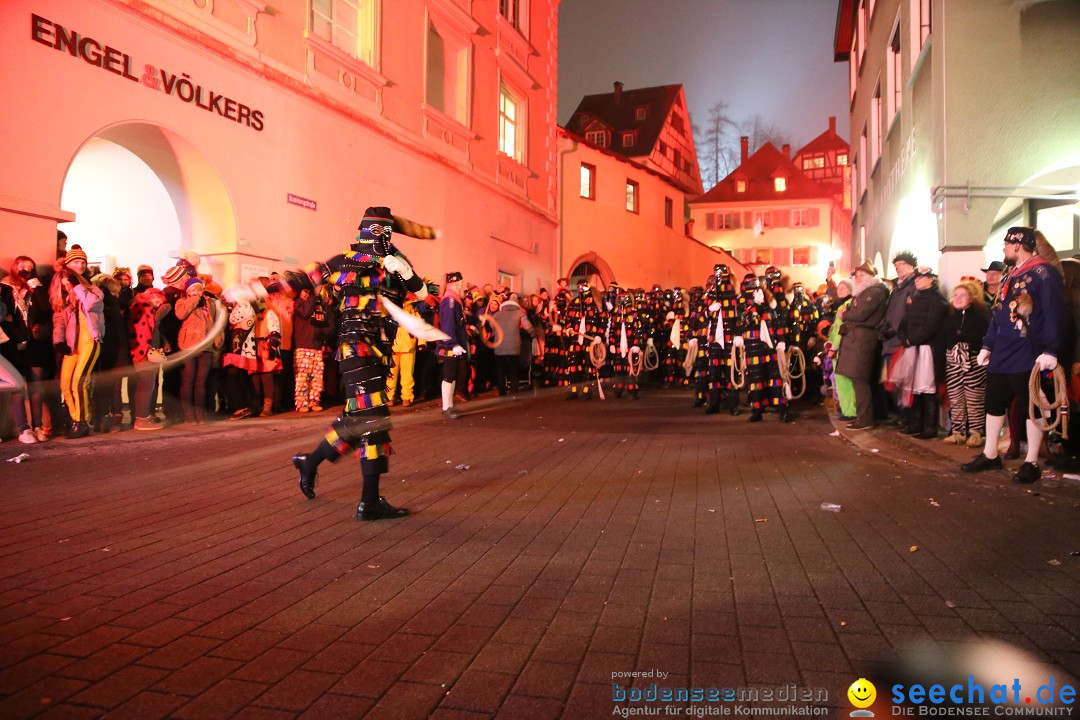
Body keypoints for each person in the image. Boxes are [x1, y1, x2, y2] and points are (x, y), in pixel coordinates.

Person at [248, 207, 436, 520]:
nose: (382, 239)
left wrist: (403, 270)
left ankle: (308, 463)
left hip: (381, 353)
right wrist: (254, 289)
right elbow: (299, 279)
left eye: (387, 233)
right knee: (374, 421)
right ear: (368, 231)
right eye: (378, 232)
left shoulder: (396, 264)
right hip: (356, 349)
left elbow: (421, 296)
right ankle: (369, 501)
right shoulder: (344, 262)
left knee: (353, 423)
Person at [962, 227, 1065, 484]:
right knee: (994, 403)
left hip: (1027, 352)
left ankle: (1031, 461)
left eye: (1007, 244)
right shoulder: (1010, 275)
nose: (1004, 249)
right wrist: (988, 345)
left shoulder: (1044, 273)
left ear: (1018, 245)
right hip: (1002, 354)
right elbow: (998, 315)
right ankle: (990, 454)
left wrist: (1051, 350)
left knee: (1032, 407)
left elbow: (1054, 314)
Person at [50, 247, 105, 438]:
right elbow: (59, 317)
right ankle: (75, 419)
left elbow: (91, 304)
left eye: (83, 262)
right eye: (76, 262)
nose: (80, 265)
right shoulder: (63, 290)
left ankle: (81, 421)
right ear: (68, 264)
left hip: (90, 340)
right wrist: (58, 340)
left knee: (78, 382)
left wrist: (75, 284)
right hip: (73, 344)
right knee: (65, 384)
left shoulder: (93, 289)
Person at [835, 261, 890, 430]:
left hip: (862, 340)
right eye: (857, 275)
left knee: (860, 380)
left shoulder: (874, 292)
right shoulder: (865, 292)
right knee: (857, 379)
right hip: (856, 339)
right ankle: (862, 416)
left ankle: (865, 419)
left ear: (871, 276)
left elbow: (861, 314)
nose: (858, 278)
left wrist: (846, 314)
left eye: (862, 275)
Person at [896, 267, 949, 440]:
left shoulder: (938, 300)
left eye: (921, 278)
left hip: (928, 349)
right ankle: (916, 423)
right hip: (914, 347)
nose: (917, 281)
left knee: (927, 388)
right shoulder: (917, 298)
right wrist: (904, 337)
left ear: (931, 279)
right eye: (916, 279)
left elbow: (931, 326)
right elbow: (906, 321)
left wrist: (913, 339)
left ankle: (929, 427)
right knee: (914, 387)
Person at [942, 280, 991, 447]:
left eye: (962, 295)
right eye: (956, 295)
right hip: (953, 362)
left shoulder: (981, 316)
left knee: (974, 399)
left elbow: (983, 337)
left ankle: (976, 433)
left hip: (974, 361)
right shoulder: (950, 315)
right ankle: (958, 432)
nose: (958, 298)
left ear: (972, 297)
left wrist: (963, 342)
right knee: (956, 398)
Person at [880, 251, 918, 423]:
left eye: (902, 264)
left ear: (911, 265)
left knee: (905, 381)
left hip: (902, 341)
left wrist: (896, 330)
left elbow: (907, 314)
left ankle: (908, 417)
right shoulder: (897, 288)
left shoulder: (914, 286)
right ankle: (901, 415)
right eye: (896, 266)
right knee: (894, 381)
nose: (898, 268)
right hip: (890, 341)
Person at [438, 271, 469, 419]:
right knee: (449, 375)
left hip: (455, 344)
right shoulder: (450, 300)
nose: (460, 286)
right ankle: (446, 407)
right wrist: (453, 343)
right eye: (458, 283)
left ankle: (449, 405)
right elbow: (449, 325)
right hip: (450, 346)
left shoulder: (455, 300)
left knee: (454, 375)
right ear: (452, 284)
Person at [492, 292, 534, 396]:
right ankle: (514, 390)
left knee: (500, 369)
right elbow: (528, 326)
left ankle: (502, 391)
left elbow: (493, 328)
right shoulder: (519, 313)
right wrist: (533, 334)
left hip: (499, 345)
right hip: (514, 345)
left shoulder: (497, 314)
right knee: (513, 368)